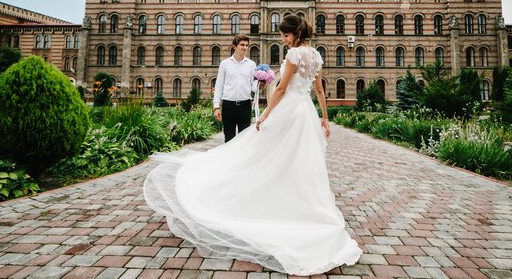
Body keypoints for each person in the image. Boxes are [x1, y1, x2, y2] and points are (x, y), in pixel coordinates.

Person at [143, 15, 362, 275]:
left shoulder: (293, 55)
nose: (283, 39)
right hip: (306, 113)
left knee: (265, 155)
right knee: (300, 162)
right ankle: (294, 205)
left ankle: (266, 199)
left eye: (285, 35)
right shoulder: (316, 56)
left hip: (288, 111)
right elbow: (320, 90)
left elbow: (280, 89)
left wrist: (266, 114)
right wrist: (325, 119)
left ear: (294, 33)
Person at [212, 34, 256, 142]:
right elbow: (219, 85)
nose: (245, 48)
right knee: (229, 139)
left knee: (244, 141)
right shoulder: (224, 64)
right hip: (228, 105)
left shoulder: (251, 64)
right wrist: (216, 106)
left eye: (246, 45)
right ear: (234, 46)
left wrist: (260, 84)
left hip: (245, 106)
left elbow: (253, 85)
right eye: (242, 45)